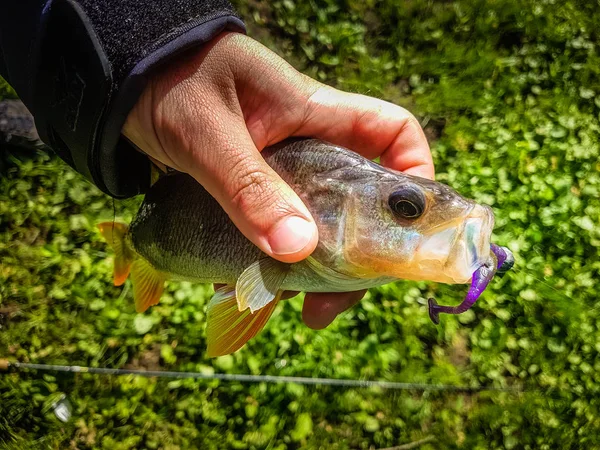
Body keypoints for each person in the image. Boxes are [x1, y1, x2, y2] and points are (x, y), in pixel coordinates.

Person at [1, 1, 434, 329]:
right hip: (157, 230)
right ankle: (127, 248)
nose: (409, 219)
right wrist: (159, 62)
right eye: (405, 208)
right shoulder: (300, 227)